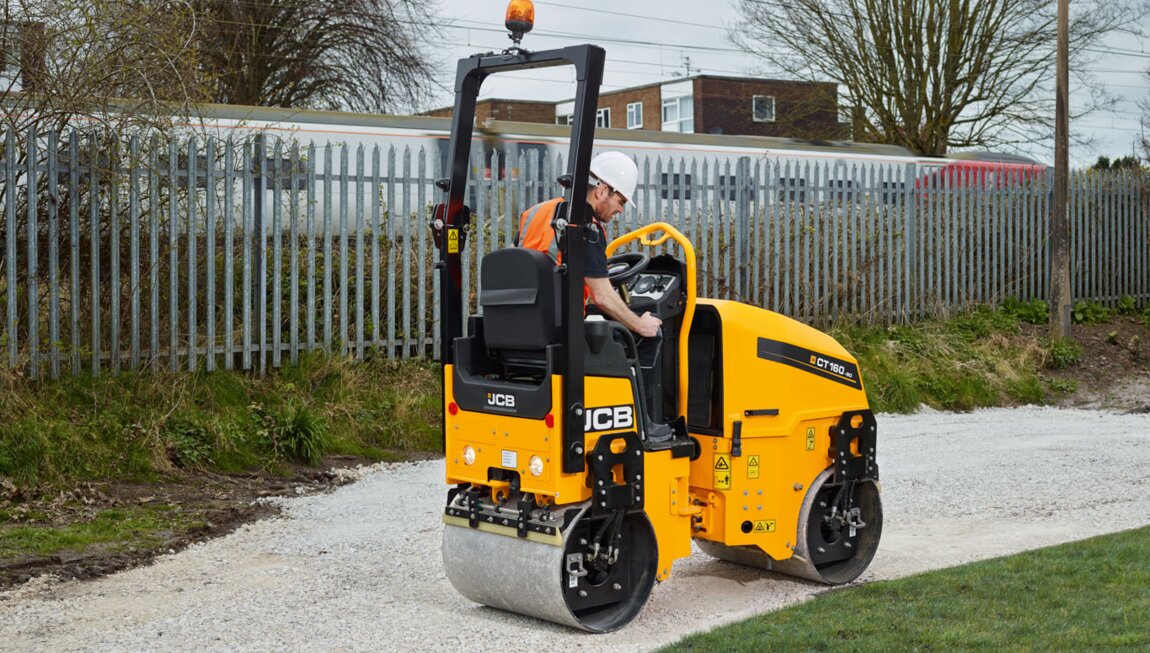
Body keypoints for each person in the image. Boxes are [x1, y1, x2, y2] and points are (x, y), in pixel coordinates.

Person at [515, 151, 671, 438]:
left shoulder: (536, 213)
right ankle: (644, 424)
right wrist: (639, 324)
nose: (621, 210)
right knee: (649, 334)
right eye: (620, 201)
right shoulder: (585, 228)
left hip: (526, 325)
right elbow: (602, 295)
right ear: (601, 191)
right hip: (562, 331)